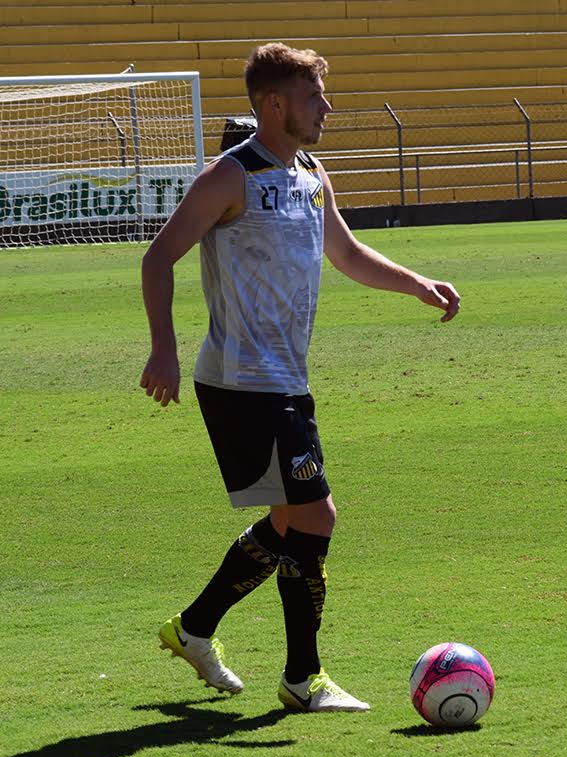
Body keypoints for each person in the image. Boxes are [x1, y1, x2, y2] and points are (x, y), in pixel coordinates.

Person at [139, 43, 460, 713]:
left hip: (284, 380)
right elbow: (159, 257)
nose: (328, 108)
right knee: (316, 515)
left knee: (290, 523)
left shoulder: (313, 174)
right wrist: (163, 348)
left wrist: (416, 285)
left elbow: (344, 252)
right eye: (316, 97)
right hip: (240, 380)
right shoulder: (230, 177)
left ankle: (194, 629)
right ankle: (302, 679)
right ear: (274, 104)